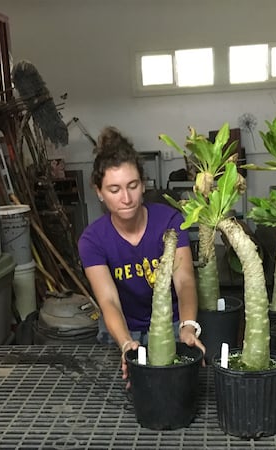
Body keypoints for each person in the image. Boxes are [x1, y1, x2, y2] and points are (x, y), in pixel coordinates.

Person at [77, 126, 204, 382]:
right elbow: (108, 300)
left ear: (143, 184)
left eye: (132, 186)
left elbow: (185, 281)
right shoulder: (92, 240)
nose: (126, 198)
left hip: (172, 322)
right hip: (126, 326)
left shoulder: (169, 221)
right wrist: (125, 344)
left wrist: (188, 327)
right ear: (99, 192)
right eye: (114, 190)